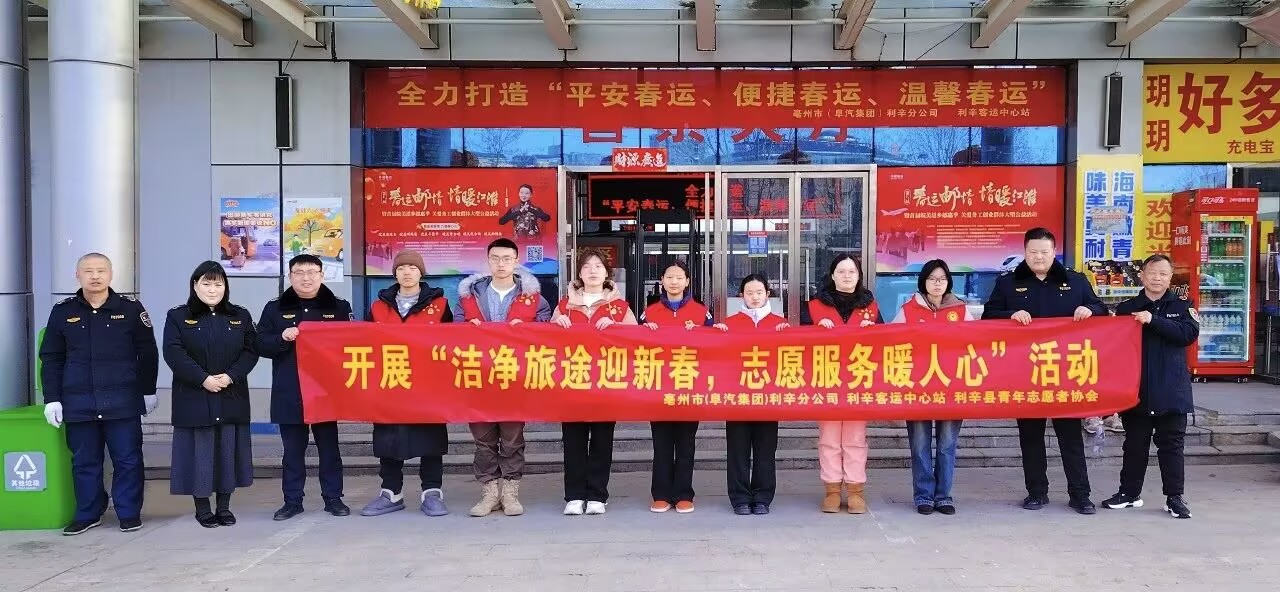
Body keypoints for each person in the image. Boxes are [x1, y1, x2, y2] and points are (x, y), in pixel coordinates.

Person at [983, 227, 1107, 515]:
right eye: (1033, 252)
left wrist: (1090, 310)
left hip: (1065, 372)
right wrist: (1010, 314)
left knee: (1070, 437)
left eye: (1044, 252)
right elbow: (989, 316)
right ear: (1025, 252)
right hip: (1025, 373)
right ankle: (1036, 492)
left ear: (1054, 252)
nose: (1038, 257)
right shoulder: (1008, 283)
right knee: (1031, 437)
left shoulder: (1075, 281)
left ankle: (1080, 495)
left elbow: (1100, 308)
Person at [40, 253, 160, 535]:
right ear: (77, 275)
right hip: (79, 401)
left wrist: (148, 390)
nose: (95, 276)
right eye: (88, 271)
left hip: (123, 400)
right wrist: (52, 398)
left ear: (110, 274)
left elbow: (148, 353)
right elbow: (52, 357)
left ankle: (128, 512)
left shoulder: (130, 309)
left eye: (101, 270)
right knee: (85, 462)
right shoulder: (63, 311)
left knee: (128, 459)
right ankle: (89, 513)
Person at [458, 238, 552, 518]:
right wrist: (467, 327)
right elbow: (453, 330)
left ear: (516, 261)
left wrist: (528, 329)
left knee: (512, 438)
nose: (501, 264)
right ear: (488, 261)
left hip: (514, 376)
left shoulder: (533, 297)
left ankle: (510, 493)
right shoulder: (470, 296)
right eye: (495, 258)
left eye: (507, 258)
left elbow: (546, 329)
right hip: (479, 376)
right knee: (483, 439)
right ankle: (489, 493)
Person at [258, 254, 354, 521]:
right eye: (299, 272)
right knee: (292, 452)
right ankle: (292, 501)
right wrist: (282, 338)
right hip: (290, 390)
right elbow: (259, 343)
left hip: (325, 391)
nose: (306, 278)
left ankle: (333, 498)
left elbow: (352, 344)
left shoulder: (339, 307)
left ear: (322, 275)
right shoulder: (274, 308)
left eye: (312, 272)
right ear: (290, 277)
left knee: (329, 449)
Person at [163, 261, 259, 528]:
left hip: (231, 394)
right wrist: (202, 379)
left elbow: (251, 351)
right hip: (194, 396)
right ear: (195, 285)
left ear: (226, 287)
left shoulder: (240, 315)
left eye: (218, 284)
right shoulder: (178, 316)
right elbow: (173, 352)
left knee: (228, 452)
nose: (212, 289)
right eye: (206, 283)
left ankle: (224, 507)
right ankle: (203, 508)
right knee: (200, 455)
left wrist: (230, 376)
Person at [1104, 254, 1200, 519]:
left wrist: (1153, 320)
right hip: (1137, 391)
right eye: (1152, 273)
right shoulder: (1127, 308)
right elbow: (1113, 346)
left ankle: (1174, 498)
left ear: (1170, 278)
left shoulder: (1183, 305)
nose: (1157, 278)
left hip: (1172, 390)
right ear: (1142, 275)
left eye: (1163, 274)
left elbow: (1188, 335)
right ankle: (1129, 493)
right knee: (1134, 445)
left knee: (1172, 446)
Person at [360, 250, 453, 518]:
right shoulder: (378, 306)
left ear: (421, 272)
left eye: (412, 267)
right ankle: (391, 492)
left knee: (430, 438)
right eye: (401, 268)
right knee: (388, 437)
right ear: (395, 274)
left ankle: (432, 493)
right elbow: (363, 342)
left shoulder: (440, 305)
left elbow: (452, 342)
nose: (407, 272)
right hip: (390, 381)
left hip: (428, 384)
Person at [552, 247, 638, 516]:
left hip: (606, 384)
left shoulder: (620, 308)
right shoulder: (564, 306)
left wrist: (618, 329)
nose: (592, 270)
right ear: (579, 272)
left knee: (602, 441)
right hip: (572, 382)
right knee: (573, 442)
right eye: (587, 266)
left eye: (598, 266)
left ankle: (598, 495)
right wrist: (556, 325)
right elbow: (545, 345)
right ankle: (574, 495)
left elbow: (637, 343)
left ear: (607, 273)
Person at [640, 261, 727, 514]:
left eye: (679, 277)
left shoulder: (701, 312)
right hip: (658, 387)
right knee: (661, 444)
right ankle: (660, 494)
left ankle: (684, 494)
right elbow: (633, 347)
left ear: (687, 281)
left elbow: (715, 347)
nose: (674, 281)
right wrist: (645, 332)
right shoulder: (649, 313)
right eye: (669, 277)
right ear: (662, 280)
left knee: (686, 444)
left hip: (689, 386)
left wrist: (705, 332)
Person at [890, 260, 973, 516]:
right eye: (932, 279)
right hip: (918, 388)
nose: (937, 283)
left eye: (942, 279)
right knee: (920, 445)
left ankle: (943, 496)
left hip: (951, 387)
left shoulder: (961, 310)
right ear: (923, 281)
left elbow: (976, 342)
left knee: (947, 445)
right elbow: (890, 341)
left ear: (949, 282)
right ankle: (924, 495)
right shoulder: (908, 310)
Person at [807, 254, 879, 515]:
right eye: (841, 271)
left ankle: (856, 489)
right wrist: (815, 329)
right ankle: (832, 490)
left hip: (859, 380)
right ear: (832, 275)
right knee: (828, 438)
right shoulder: (815, 306)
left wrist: (874, 330)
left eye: (852, 271)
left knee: (855, 438)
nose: (846, 276)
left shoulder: (871, 306)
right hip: (826, 379)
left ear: (859, 276)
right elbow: (797, 343)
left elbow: (888, 344)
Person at [723, 273, 789, 516]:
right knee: (737, 451)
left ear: (767, 294)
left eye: (759, 292)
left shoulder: (780, 324)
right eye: (749, 293)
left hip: (768, 399)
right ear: (741, 295)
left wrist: (787, 336)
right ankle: (740, 498)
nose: (754, 297)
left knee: (765, 451)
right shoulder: (729, 324)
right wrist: (716, 335)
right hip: (737, 398)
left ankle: (762, 497)